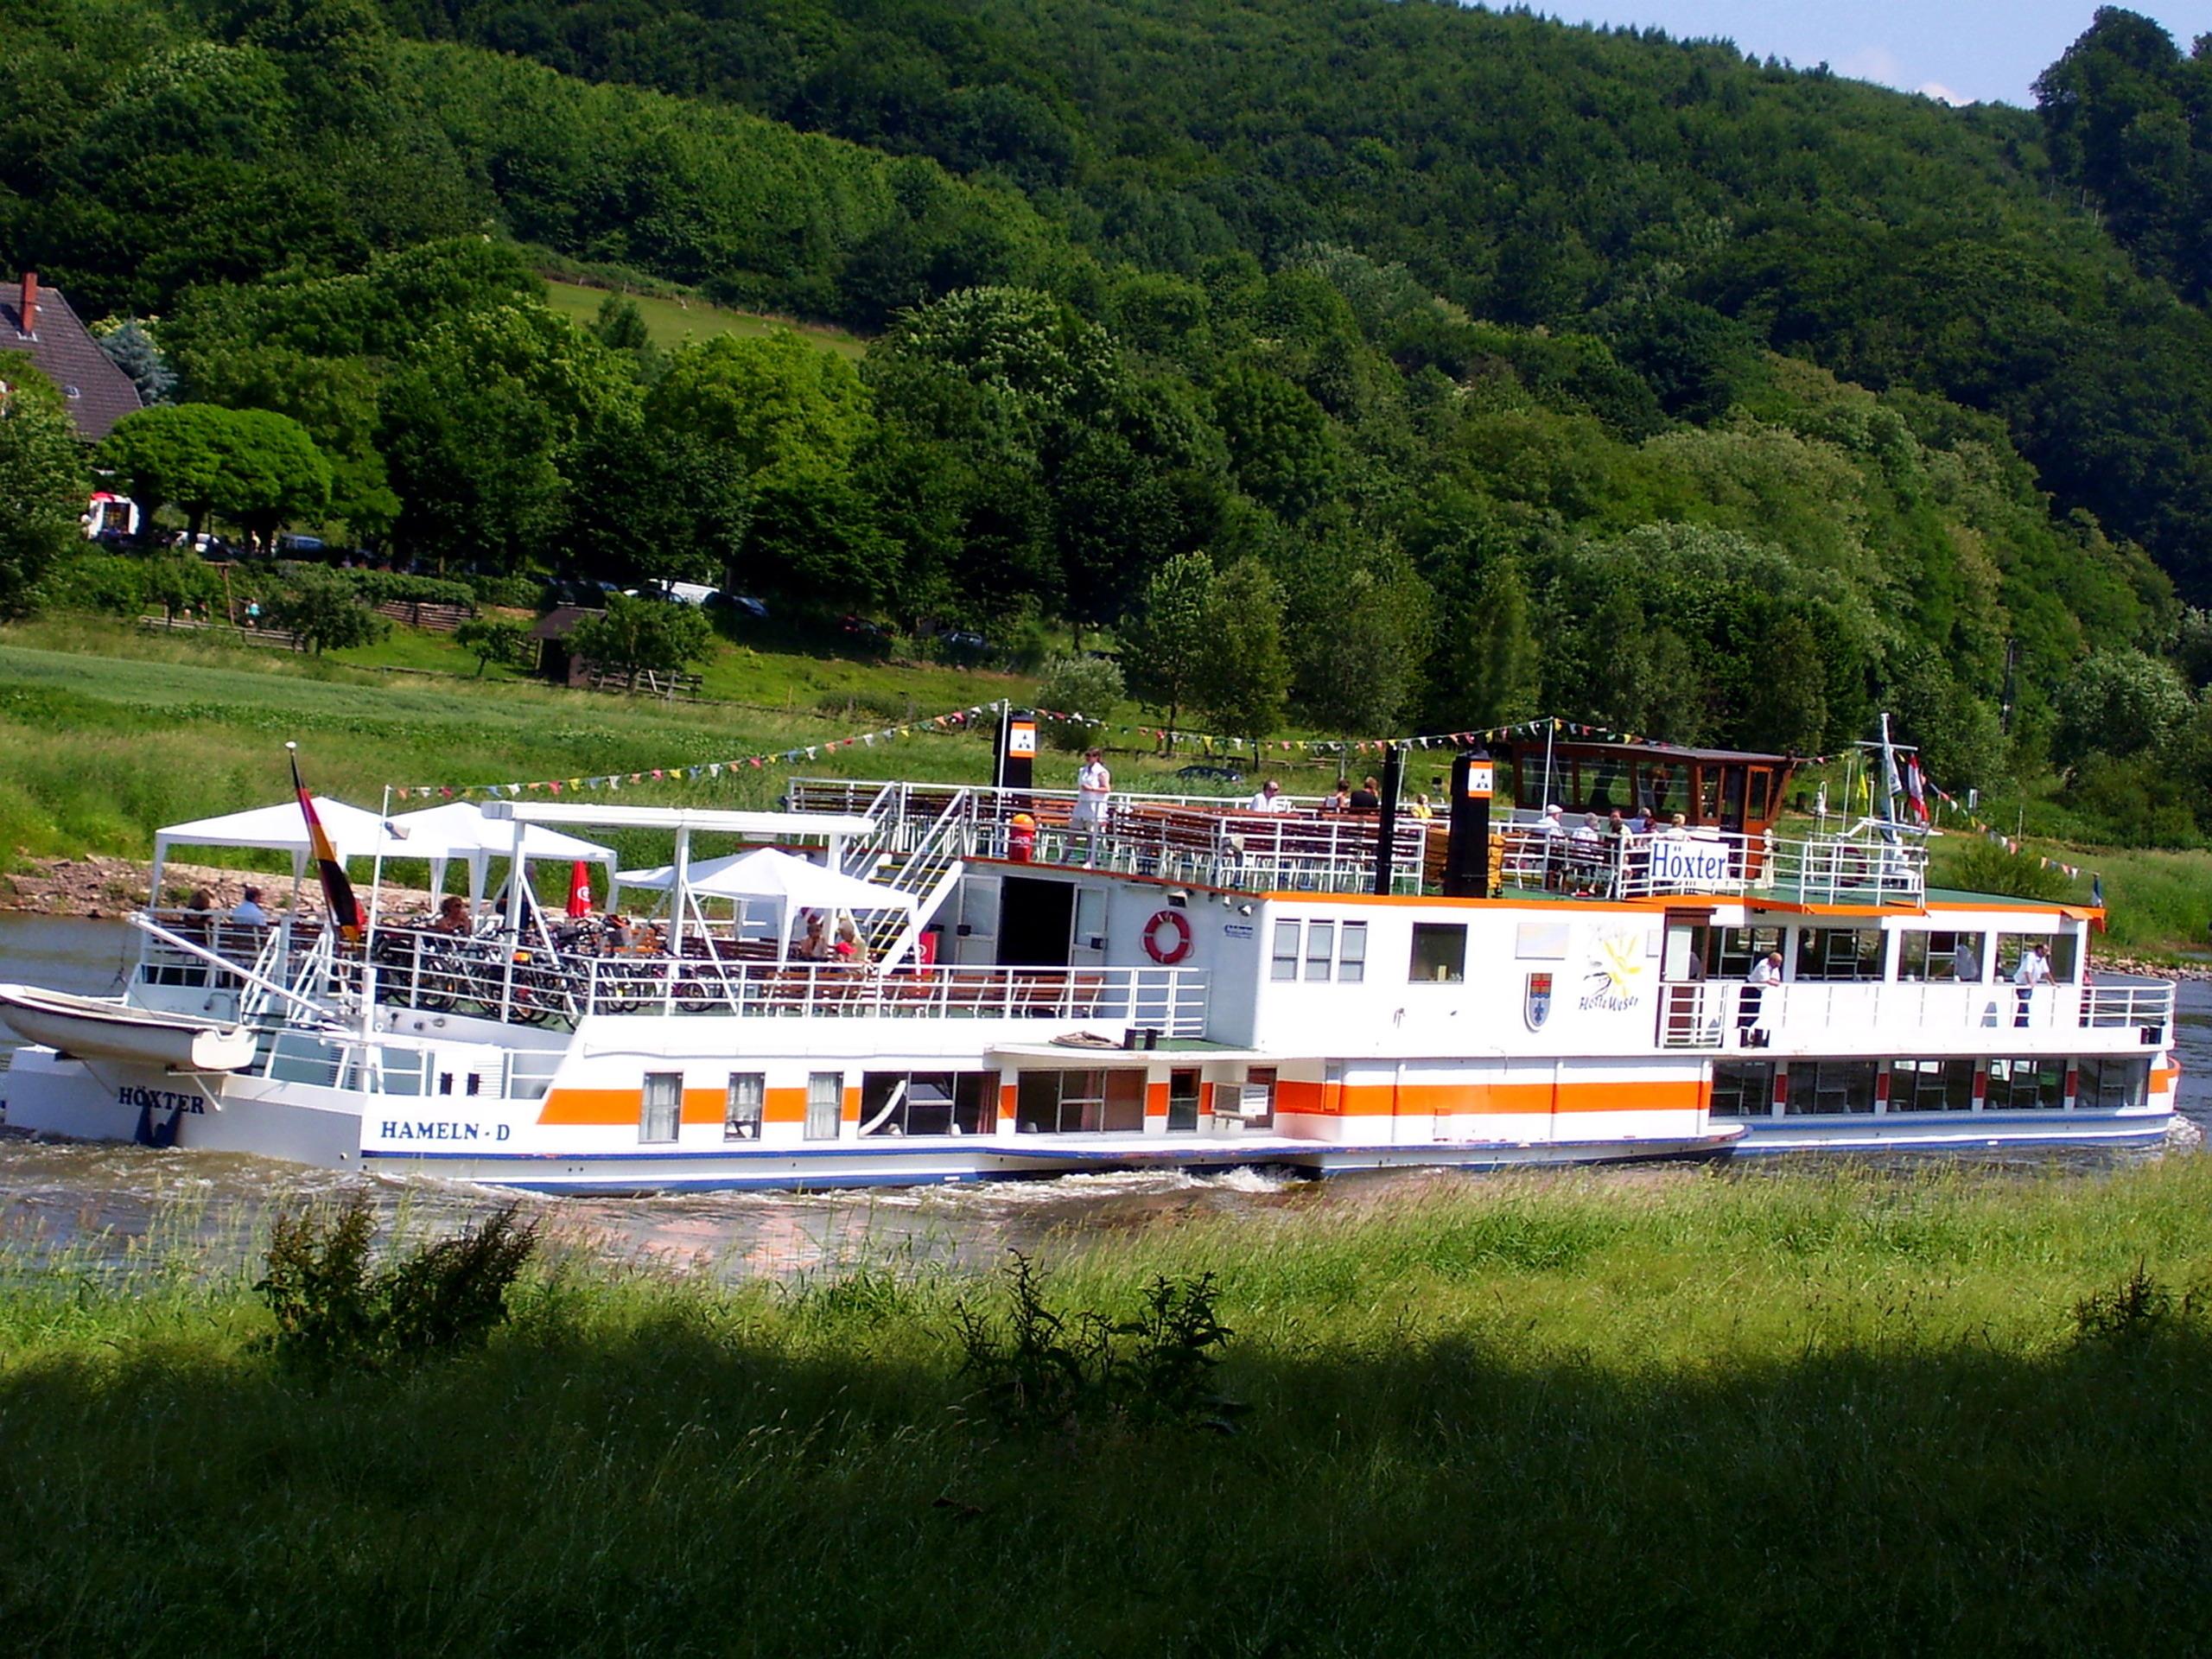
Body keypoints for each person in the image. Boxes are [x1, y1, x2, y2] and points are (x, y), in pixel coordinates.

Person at [1072, 747, 1112, 863]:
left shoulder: (1101, 772)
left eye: (1092, 756)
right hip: (1082, 804)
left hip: (1094, 807)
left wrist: (1092, 789)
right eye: (1087, 755)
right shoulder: (1083, 770)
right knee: (1073, 831)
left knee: (1091, 834)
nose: (1089, 758)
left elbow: (1107, 789)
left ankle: (1089, 860)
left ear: (1097, 757)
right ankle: (1064, 859)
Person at [1740, 950, 1782, 1046]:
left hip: (1757, 991)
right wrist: (1772, 982)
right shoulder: (1763, 965)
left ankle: (1745, 1033)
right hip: (1750, 989)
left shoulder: (1774, 967)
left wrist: (1773, 981)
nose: (1779, 966)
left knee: (1754, 1014)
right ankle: (1742, 1034)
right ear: (1772, 961)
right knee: (1749, 1014)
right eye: (1777, 963)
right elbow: (1767, 981)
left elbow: (1776, 980)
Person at [2013, 940, 2051, 1027]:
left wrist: (2053, 983)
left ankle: (2019, 1025)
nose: (2046, 953)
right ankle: (2023, 1026)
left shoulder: (2042, 959)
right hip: (2022, 985)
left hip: (2029, 986)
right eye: (2045, 950)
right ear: (2039, 950)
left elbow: (2046, 972)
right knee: (2024, 1005)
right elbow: (2027, 972)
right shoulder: (2030, 957)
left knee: (2024, 1005)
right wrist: (2030, 983)